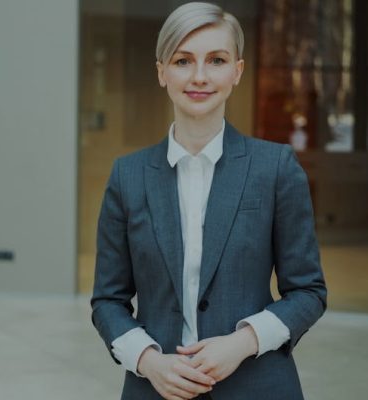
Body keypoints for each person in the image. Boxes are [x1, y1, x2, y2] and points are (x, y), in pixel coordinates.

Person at [90, 2, 327, 400]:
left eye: (216, 60)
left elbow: (308, 292)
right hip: (155, 389)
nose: (199, 76)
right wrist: (150, 361)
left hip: (258, 385)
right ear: (162, 72)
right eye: (183, 61)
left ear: (236, 72)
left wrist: (242, 342)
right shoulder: (127, 176)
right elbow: (107, 301)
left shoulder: (276, 168)